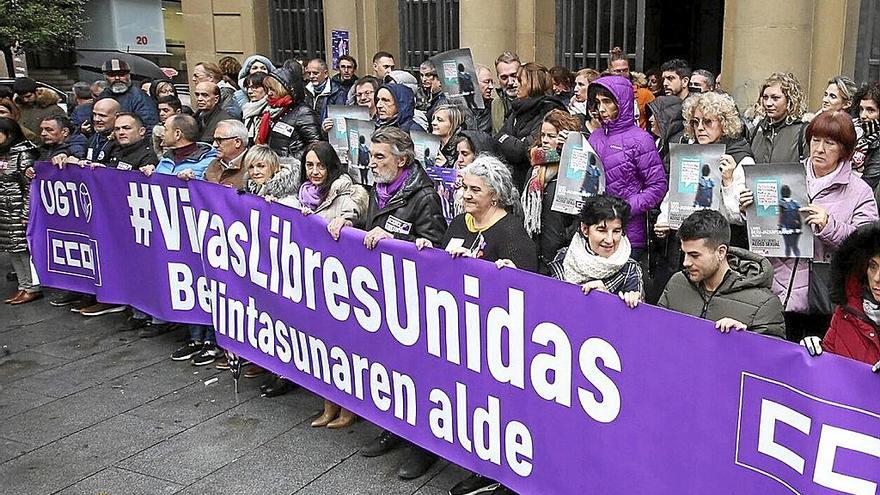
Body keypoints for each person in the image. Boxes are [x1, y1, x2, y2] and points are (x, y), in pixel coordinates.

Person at [347, 126, 445, 480]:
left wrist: (395, 239)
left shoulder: (424, 196)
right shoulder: (379, 188)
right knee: (390, 367)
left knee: (418, 372)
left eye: (379, 157)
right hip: (382, 291)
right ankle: (395, 428)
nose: (371, 163)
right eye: (371, 156)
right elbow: (372, 223)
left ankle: (425, 449)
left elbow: (432, 245)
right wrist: (348, 220)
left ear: (402, 160)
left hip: (414, 297)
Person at [739, 111, 879, 342]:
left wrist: (829, 225)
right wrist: (750, 211)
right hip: (778, 289)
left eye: (830, 143)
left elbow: (865, 247)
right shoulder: (786, 176)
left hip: (824, 297)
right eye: (815, 140)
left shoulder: (859, 190)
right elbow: (765, 231)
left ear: (844, 149)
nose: (820, 149)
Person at [296, 141, 369, 424]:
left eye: (320, 165)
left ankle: (348, 409)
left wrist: (345, 220)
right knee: (321, 343)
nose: (315, 172)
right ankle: (328, 405)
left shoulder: (346, 190)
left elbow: (354, 209)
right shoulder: (303, 194)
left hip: (341, 280)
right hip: (314, 276)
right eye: (309, 165)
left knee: (342, 346)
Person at [659, 209, 785, 337]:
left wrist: (744, 339)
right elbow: (656, 334)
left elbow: (771, 355)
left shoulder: (764, 304)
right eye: (684, 253)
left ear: (721, 252)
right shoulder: (677, 283)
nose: (686, 262)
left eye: (694, 255)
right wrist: (638, 308)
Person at [587, 75, 667, 261]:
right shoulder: (595, 137)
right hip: (596, 230)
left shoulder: (641, 139)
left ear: (622, 103)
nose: (601, 109)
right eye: (598, 102)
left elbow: (658, 186)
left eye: (607, 102)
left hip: (628, 232)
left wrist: (625, 208)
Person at [419, 154, 537, 270]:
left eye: (475, 190)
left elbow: (527, 282)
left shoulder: (512, 232)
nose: (466, 195)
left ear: (495, 195)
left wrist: (474, 266)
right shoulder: (459, 222)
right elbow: (443, 265)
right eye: (465, 187)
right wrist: (430, 252)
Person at [800, 223, 880, 368]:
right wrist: (814, 353)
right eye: (872, 266)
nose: (877, 278)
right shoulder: (845, 312)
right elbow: (828, 369)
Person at [549, 195, 643, 308]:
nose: (609, 240)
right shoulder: (564, 257)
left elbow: (637, 321)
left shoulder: (630, 269)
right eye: (602, 230)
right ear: (585, 229)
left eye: (616, 231)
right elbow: (550, 304)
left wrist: (610, 300)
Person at [522, 109, 581, 274]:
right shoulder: (535, 170)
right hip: (535, 252)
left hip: (562, 254)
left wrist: (565, 236)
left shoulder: (573, 169)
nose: (545, 141)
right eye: (543, 135)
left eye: (551, 136)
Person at [494, 62, 566, 189]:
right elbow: (498, 138)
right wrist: (512, 142)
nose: (515, 84)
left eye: (520, 80)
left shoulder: (550, 111)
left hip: (540, 183)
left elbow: (522, 151)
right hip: (514, 181)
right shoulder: (518, 109)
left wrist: (510, 141)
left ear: (532, 83)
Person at [0, 117, 41, 305]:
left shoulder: (23, 153)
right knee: (12, 248)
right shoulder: (3, 153)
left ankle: (32, 286)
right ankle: (23, 286)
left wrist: (26, 213)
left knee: (24, 249)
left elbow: (29, 187)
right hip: (5, 209)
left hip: (18, 209)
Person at [257, 64, 322, 162]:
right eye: (268, 89)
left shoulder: (303, 113)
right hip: (274, 165)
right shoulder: (273, 111)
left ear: (284, 90)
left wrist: (291, 159)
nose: (269, 93)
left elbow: (315, 146)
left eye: (273, 89)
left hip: (292, 167)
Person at [749, 72, 808, 164]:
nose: (768, 103)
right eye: (765, 98)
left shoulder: (803, 131)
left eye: (775, 98)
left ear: (790, 100)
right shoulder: (756, 130)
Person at [143, 114, 218, 180]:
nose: (163, 134)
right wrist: (152, 175)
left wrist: (194, 180)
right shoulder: (166, 159)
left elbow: (209, 192)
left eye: (166, 129)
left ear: (177, 134)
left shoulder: (210, 163)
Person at [96, 59, 160, 129]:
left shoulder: (140, 97)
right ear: (105, 77)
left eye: (122, 74)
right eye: (112, 75)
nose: (117, 78)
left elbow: (149, 125)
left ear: (128, 76)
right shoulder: (103, 95)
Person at [204, 119, 250, 187]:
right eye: (214, 140)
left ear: (237, 142)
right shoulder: (213, 164)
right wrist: (191, 181)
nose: (214, 145)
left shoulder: (253, 165)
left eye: (219, 140)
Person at [851, 82, 880, 189]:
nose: (863, 116)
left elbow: (869, 182)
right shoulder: (852, 129)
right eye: (861, 109)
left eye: (870, 110)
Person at [304, 58, 346, 123]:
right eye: (309, 73)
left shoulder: (337, 91)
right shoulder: (305, 90)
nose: (311, 76)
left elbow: (339, 119)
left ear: (325, 74)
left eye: (315, 73)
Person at [83, 98, 120, 163]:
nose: (96, 119)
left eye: (102, 116)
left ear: (116, 117)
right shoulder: (93, 137)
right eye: (94, 114)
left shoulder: (121, 140)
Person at [491, 51, 521, 132]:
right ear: (498, 79)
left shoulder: (532, 102)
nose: (510, 82)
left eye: (514, 76)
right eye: (504, 77)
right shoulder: (496, 104)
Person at [568, 68, 600, 132]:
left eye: (581, 84)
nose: (575, 89)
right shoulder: (570, 107)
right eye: (575, 84)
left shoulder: (599, 112)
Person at [240, 72, 268, 146]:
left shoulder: (270, 110)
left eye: (255, 87)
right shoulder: (246, 109)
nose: (250, 91)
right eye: (248, 87)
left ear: (266, 88)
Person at [416, 60, 447, 127]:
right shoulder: (419, 92)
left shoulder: (444, 98)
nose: (424, 79)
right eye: (421, 75)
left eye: (428, 75)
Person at [473, 64, 495, 133]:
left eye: (492, 82)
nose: (491, 86)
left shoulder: (494, 107)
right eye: (486, 82)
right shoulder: (462, 108)